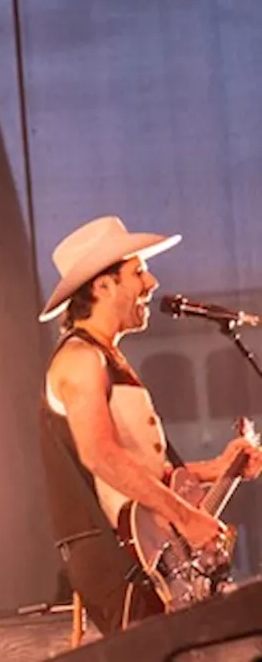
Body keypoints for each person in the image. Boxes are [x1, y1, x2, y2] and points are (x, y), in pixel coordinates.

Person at [38, 216, 262, 635]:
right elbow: (100, 456)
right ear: (102, 286)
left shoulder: (108, 358)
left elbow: (137, 472)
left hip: (147, 553)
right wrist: (186, 517)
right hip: (119, 561)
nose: (152, 282)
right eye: (138, 271)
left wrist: (218, 468)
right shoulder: (80, 360)